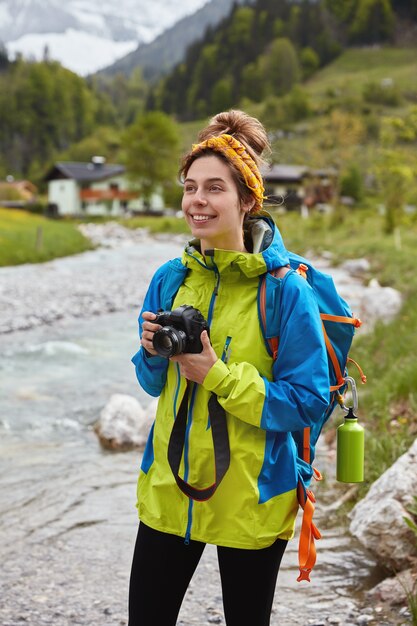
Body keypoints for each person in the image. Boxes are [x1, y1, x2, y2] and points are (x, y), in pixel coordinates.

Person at [129, 110, 330, 626]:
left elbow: (308, 401)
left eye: (214, 187)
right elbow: (152, 383)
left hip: (253, 499)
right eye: (190, 186)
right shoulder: (170, 277)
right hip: (170, 488)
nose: (197, 200)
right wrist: (153, 354)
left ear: (247, 199)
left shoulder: (285, 291)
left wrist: (216, 375)